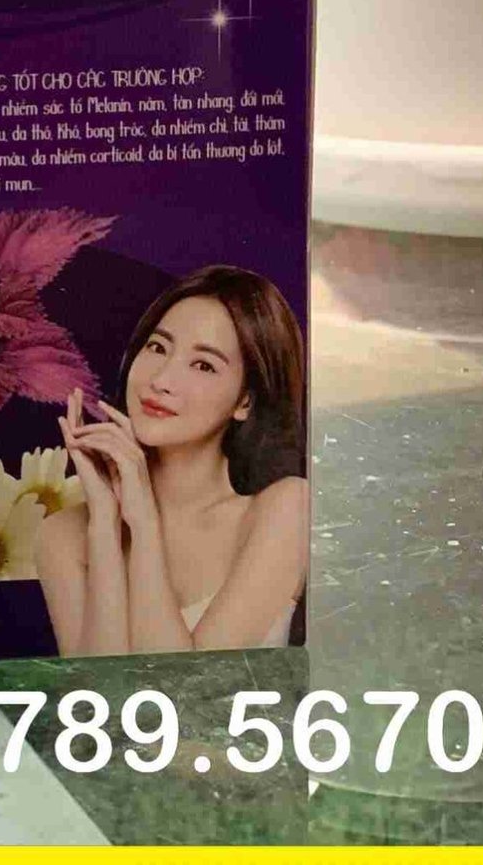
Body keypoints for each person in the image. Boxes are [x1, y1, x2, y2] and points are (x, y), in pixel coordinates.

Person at [36, 265, 308, 654]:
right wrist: (105, 527)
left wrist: (144, 524)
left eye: (204, 365)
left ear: (245, 402)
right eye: (158, 347)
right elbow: (98, 689)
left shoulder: (284, 508)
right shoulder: (63, 535)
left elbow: (180, 684)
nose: (161, 380)